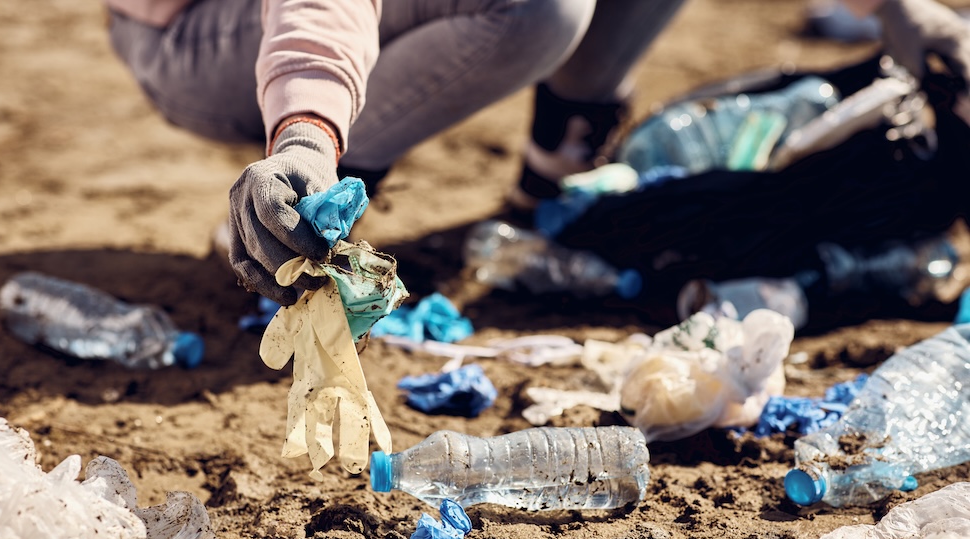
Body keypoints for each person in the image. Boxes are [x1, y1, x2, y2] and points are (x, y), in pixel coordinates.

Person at [104, 0, 970, 307]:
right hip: (206, 32)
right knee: (537, 4)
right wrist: (307, 132)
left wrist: (905, 9)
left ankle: (558, 173)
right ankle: (314, 215)